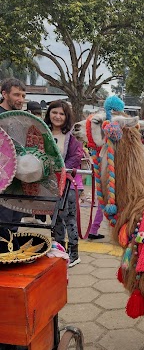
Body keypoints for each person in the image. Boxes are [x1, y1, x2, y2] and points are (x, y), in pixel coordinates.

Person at [44, 100, 83, 267]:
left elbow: (77, 156)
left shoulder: (72, 137)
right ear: (49, 113)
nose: (57, 116)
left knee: (69, 218)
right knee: (55, 218)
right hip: (49, 185)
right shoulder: (42, 132)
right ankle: (59, 248)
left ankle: (74, 253)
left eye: (61, 113)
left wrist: (61, 170)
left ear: (66, 117)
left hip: (69, 184)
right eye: (54, 112)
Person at [0, 78, 27, 231]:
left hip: (18, 182)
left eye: (23, 96)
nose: (21, 100)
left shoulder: (21, 118)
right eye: (16, 95)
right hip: (2, 182)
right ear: (4, 94)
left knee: (13, 227)